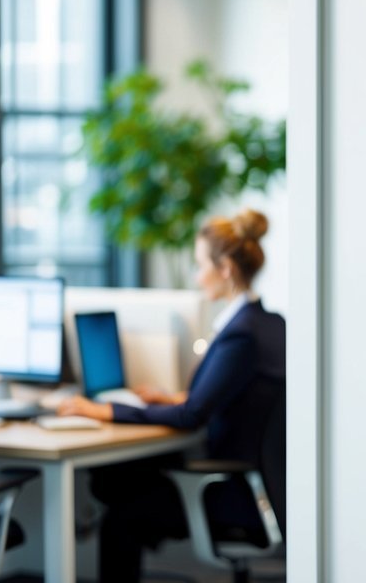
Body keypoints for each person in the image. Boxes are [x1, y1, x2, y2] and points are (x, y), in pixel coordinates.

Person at [58, 209, 285, 583]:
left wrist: (103, 410)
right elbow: (227, 396)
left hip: (229, 493)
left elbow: (192, 417)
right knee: (118, 480)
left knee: (120, 511)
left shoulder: (240, 334)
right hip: (254, 482)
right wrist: (170, 398)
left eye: (200, 265)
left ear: (225, 268)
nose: (197, 277)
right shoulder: (269, 323)